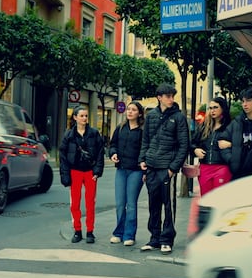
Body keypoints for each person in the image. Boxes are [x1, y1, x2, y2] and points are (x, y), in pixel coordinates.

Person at [138, 83, 189, 255]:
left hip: (167, 168)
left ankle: (167, 240)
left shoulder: (179, 117)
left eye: (172, 96)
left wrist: (173, 168)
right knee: (153, 204)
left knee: (168, 205)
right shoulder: (151, 116)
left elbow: (184, 145)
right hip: (151, 166)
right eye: (167, 96)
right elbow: (145, 140)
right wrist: (142, 160)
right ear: (159, 97)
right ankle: (154, 239)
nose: (171, 99)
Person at [59, 105, 104, 244]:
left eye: (86, 116)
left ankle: (90, 232)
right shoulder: (69, 135)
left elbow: (100, 153)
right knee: (75, 204)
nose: (84, 118)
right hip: (75, 171)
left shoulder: (94, 133)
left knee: (90, 203)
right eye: (82, 116)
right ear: (75, 117)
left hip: (90, 172)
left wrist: (97, 171)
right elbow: (63, 156)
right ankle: (77, 231)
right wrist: (65, 175)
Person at [108, 101, 145, 246]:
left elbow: (145, 149)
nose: (129, 112)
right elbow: (113, 144)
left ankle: (129, 235)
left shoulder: (142, 131)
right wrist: (113, 153)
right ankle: (118, 232)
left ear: (139, 113)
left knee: (131, 204)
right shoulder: (121, 128)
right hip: (121, 169)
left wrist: (145, 169)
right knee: (119, 203)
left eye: (133, 110)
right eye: (128, 109)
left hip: (135, 171)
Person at [191, 97, 232, 196]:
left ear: (222, 108)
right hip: (205, 168)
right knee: (206, 199)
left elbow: (241, 143)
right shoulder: (204, 126)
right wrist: (195, 150)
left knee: (219, 198)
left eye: (215, 107)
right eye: (210, 108)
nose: (212, 110)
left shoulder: (230, 126)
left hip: (222, 167)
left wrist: (231, 144)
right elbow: (192, 143)